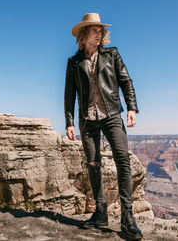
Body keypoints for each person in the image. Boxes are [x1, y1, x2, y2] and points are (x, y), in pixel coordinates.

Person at [64, 13, 142, 240]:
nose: (99, 34)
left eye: (101, 31)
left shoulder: (112, 55)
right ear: (84, 34)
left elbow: (126, 81)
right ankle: (100, 212)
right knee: (92, 163)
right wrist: (69, 122)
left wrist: (131, 108)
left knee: (122, 160)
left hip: (111, 115)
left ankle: (128, 217)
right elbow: (69, 94)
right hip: (87, 119)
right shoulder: (74, 62)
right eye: (95, 30)